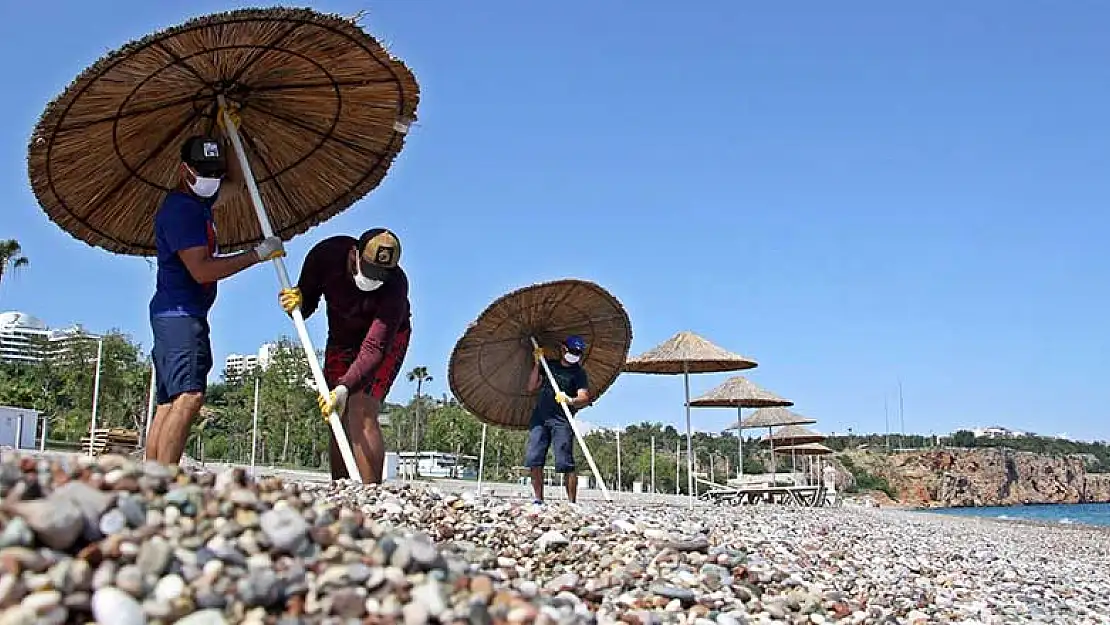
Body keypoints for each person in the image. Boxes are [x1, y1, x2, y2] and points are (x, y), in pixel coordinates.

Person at [147, 135, 285, 466]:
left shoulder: (199, 204)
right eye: (204, 173)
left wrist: (230, 139)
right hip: (182, 314)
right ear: (185, 172)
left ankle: (149, 476)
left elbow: (236, 184)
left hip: (171, 314)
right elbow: (201, 270)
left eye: (215, 173)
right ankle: (162, 480)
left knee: (169, 401)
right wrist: (256, 255)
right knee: (190, 396)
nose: (211, 180)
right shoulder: (183, 211)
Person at [277, 228, 411, 483]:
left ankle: (371, 495)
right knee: (336, 415)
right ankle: (341, 489)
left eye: (381, 276)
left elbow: (374, 347)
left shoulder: (396, 285)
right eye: (370, 272)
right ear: (354, 255)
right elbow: (305, 308)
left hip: (387, 341)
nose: (373, 281)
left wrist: (345, 387)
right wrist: (296, 303)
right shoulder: (325, 256)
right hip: (342, 340)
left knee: (361, 408)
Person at [525, 335, 591, 506]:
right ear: (563, 349)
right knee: (534, 458)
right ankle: (538, 499)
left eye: (578, 352)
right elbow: (531, 387)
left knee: (565, 462)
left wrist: (570, 400)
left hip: (561, 420)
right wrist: (538, 363)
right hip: (540, 418)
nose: (575, 355)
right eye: (573, 351)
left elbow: (584, 397)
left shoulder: (578, 373)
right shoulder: (549, 366)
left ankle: (572, 503)